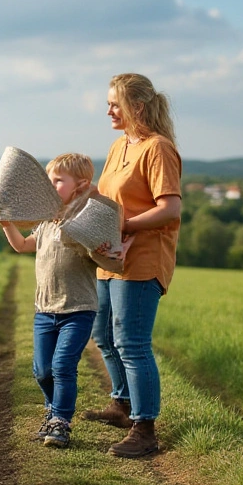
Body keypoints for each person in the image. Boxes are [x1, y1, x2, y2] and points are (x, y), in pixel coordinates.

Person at [82, 73, 182, 458]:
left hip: (142, 260)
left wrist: (125, 223)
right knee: (104, 336)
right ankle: (121, 405)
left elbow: (169, 208)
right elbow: (109, 195)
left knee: (132, 343)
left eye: (114, 104)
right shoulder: (119, 145)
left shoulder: (157, 149)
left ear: (136, 107)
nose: (108, 110)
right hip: (110, 260)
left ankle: (145, 429)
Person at [0, 153, 123, 449]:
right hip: (45, 310)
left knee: (62, 366)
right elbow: (21, 246)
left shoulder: (88, 224)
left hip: (78, 309)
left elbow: (104, 256)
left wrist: (104, 249)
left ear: (80, 186)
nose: (50, 184)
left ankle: (61, 422)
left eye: (57, 180)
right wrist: (6, 223)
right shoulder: (45, 222)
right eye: (49, 178)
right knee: (41, 370)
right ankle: (53, 410)